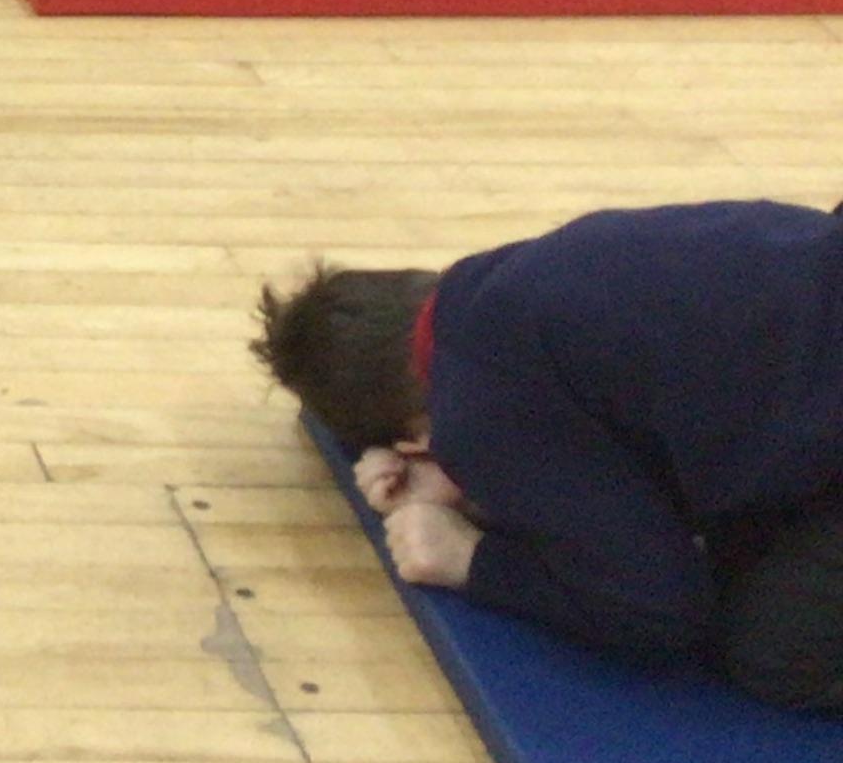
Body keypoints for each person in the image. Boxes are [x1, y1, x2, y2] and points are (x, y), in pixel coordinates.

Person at [254, 201, 843, 708]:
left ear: (413, 441)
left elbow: (659, 613)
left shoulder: (480, 403)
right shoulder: (509, 276)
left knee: (776, 650)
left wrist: (472, 559)